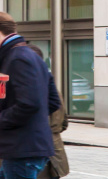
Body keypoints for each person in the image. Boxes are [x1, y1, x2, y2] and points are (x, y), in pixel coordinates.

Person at [0, 11, 59, 179]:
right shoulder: (29, 55)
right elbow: (53, 100)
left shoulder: (17, 58)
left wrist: (2, 121)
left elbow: (29, 103)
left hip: (23, 148)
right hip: (26, 146)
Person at [27, 45, 69, 179]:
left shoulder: (30, 89)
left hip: (35, 153)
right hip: (54, 153)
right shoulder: (53, 88)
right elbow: (64, 123)